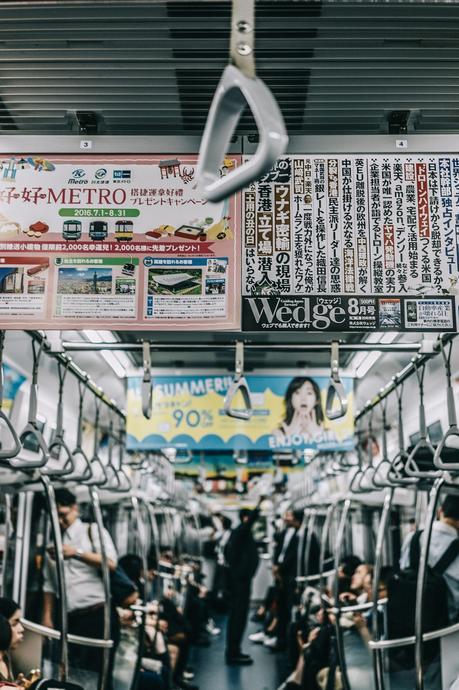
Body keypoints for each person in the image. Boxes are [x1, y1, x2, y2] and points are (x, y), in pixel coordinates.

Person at [42, 488, 118, 685]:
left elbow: (110, 563)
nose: (59, 521)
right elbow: (50, 584)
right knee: (73, 674)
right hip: (69, 618)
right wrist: (47, 617)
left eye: (62, 515)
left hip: (98, 616)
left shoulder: (93, 532)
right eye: (54, 517)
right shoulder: (53, 543)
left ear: (74, 508)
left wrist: (76, 553)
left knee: (99, 675)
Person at [400, 494, 459, 621]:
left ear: (440, 511)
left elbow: (403, 569)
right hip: (448, 626)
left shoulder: (412, 538)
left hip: (409, 616)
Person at [225, 496, 264, 665]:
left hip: (241, 580)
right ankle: (233, 653)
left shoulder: (240, 532)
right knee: (238, 617)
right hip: (240, 581)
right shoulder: (241, 530)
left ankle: (235, 650)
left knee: (239, 617)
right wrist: (259, 503)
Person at [273, 377, 336, 443]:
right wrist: (290, 437)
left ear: (316, 400)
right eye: (297, 392)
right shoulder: (278, 433)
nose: (303, 398)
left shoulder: (328, 434)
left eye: (309, 393)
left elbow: (334, 452)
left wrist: (317, 436)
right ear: (290, 398)